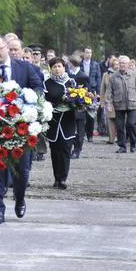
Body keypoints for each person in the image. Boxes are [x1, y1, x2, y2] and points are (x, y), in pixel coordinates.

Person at [0, 34, 43, 224]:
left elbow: (38, 88)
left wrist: (27, 102)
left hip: (21, 128)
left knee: (22, 171)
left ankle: (19, 198)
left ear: (7, 48)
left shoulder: (26, 68)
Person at [45, 58, 77, 189]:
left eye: (59, 66)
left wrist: (75, 102)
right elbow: (46, 99)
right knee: (55, 150)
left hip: (68, 120)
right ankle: (56, 177)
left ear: (64, 67)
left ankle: (63, 178)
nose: (57, 69)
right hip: (54, 120)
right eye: (54, 67)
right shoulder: (47, 83)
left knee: (65, 148)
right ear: (50, 69)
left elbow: (78, 98)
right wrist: (58, 101)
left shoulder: (71, 82)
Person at [106, 55, 136, 154]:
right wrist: (108, 103)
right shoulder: (113, 76)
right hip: (118, 105)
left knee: (131, 124)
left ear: (128, 64)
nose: (122, 65)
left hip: (132, 104)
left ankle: (133, 145)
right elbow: (109, 91)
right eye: (120, 63)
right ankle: (122, 146)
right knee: (119, 126)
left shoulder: (135, 75)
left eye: (124, 63)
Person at [67, 56, 89, 159]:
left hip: (79, 105)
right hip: (68, 105)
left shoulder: (83, 76)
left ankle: (77, 149)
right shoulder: (67, 74)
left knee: (80, 129)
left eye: (69, 62)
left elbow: (87, 90)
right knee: (69, 128)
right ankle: (69, 147)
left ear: (73, 63)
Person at [79, 47, 101, 142]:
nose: (88, 54)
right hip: (81, 90)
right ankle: (81, 134)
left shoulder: (95, 65)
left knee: (91, 114)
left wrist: (99, 92)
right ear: (83, 53)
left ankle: (90, 135)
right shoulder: (79, 64)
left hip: (93, 91)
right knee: (81, 113)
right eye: (87, 52)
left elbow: (98, 78)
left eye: (90, 53)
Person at [100, 56, 119, 144]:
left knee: (120, 120)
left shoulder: (121, 74)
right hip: (109, 101)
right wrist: (102, 102)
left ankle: (121, 138)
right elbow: (102, 89)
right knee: (110, 120)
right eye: (115, 64)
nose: (117, 66)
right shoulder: (106, 75)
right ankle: (111, 139)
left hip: (120, 101)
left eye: (118, 64)